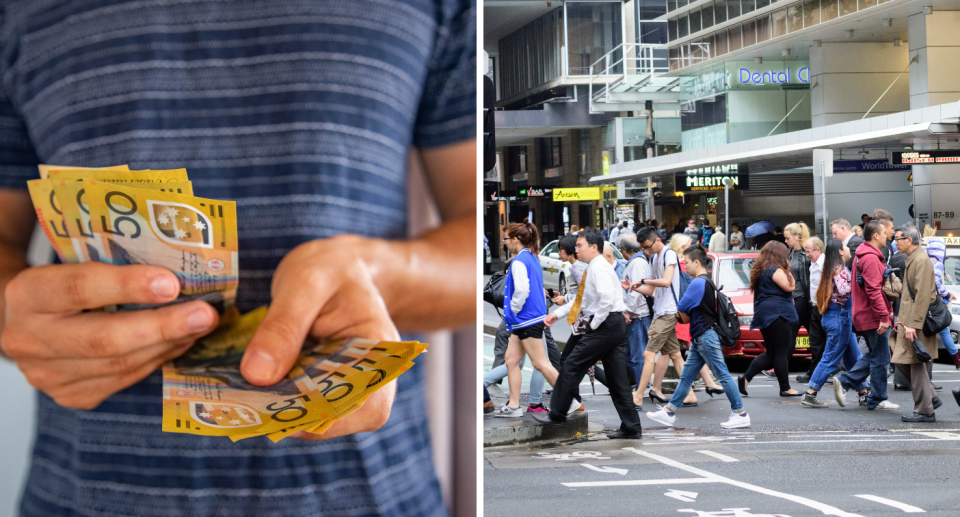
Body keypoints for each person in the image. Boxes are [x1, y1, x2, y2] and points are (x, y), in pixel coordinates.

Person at [0, 2, 475, 514]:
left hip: (371, 493)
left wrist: (377, 274)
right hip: (80, 493)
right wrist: (9, 314)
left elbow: (486, 241)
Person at [535, 230, 644, 439]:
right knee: (617, 379)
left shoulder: (598, 268)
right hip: (613, 324)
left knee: (571, 364)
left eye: (580, 245)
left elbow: (606, 301)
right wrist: (555, 315)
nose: (576, 249)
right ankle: (631, 427)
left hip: (607, 324)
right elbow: (581, 301)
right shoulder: (594, 267)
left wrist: (594, 324)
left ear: (594, 247)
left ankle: (557, 414)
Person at [645, 244, 749, 429]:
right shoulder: (706, 281)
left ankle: (741, 413)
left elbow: (681, 308)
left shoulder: (697, 283)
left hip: (705, 337)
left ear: (697, 262)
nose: (684, 266)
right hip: (701, 337)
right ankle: (669, 412)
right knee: (686, 377)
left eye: (686, 262)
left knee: (722, 375)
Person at [494, 223, 565, 418]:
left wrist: (515, 309)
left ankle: (569, 400)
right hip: (528, 319)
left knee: (541, 363)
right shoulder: (532, 258)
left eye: (506, 239)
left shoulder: (518, 261)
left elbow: (523, 289)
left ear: (515, 239)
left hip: (525, 319)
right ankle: (514, 405)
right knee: (511, 360)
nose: (505, 243)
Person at [625, 227, 696, 410]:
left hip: (668, 312)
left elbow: (666, 281)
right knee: (674, 354)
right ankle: (689, 394)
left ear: (657, 240)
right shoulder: (654, 258)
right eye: (643, 248)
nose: (646, 250)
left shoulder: (668, 254)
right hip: (660, 310)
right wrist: (633, 286)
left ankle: (638, 396)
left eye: (648, 246)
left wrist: (643, 281)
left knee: (649, 354)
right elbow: (651, 291)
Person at [800, 239, 872, 409]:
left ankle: (864, 392)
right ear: (840, 252)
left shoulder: (832, 268)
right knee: (830, 357)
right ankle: (811, 392)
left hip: (838, 317)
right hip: (840, 318)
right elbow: (844, 290)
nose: (849, 249)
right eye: (846, 247)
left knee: (855, 358)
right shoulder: (838, 269)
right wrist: (859, 282)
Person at [739, 242, 802, 397]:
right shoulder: (774, 269)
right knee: (781, 352)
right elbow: (791, 286)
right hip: (778, 313)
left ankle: (745, 378)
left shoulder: (762, 269)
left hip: (765, 313)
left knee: (771, 353)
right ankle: (785, 388)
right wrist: (787, 268)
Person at [890, 225, 939, 422]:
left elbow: (922, 297)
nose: (895, 242)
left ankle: (925, 410)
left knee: (915, 362)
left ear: (909, 240)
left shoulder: (920, 260)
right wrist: (902, 321)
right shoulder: (913, 259)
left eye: (898, 238)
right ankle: (930, 397)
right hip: (908, 321)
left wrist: (913, 325)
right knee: (901, 357)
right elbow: (910, 297)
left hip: (916, 323)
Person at [619, 234, 652, 391]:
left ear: (624, 250)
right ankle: (641, 385)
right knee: (633, 355)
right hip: (636, 315)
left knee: (638, 356)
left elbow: (635, 291)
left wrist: (627, 310)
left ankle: (642, 387)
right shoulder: (635, 262)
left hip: (638, 316)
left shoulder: (637, 264)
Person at [925, 239, 960, 368]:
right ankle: (956, 357)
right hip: (934, 303)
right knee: (944, 330)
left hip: (925, 302)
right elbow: (937, 286)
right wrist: (948, 295)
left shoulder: (926, 262)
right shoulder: (938, 264)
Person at [797, 237, 827, 384]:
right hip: (814, 308)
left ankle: (818, 373)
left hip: (824, 308)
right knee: (815, 342)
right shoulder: (813, 264)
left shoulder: (826, 264)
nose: (807, 254)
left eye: (809, 251)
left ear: (818, 250)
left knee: (826, 343)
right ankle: (814, 372)